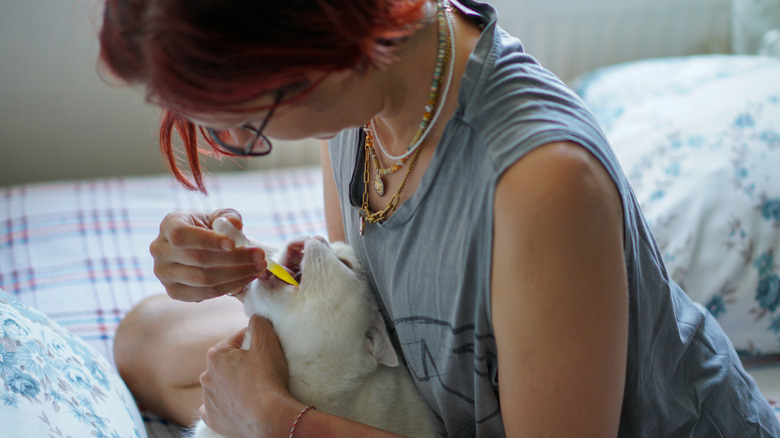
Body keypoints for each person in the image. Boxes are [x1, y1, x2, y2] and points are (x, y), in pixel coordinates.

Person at [99, 0, 780, 437]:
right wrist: (256, 271)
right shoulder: (366, 99)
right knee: (148, 336)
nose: (253, 141)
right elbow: (374, 304)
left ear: (313, 55)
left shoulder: (542, 184)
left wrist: (280, 421)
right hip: (443, 396)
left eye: (248, 124)